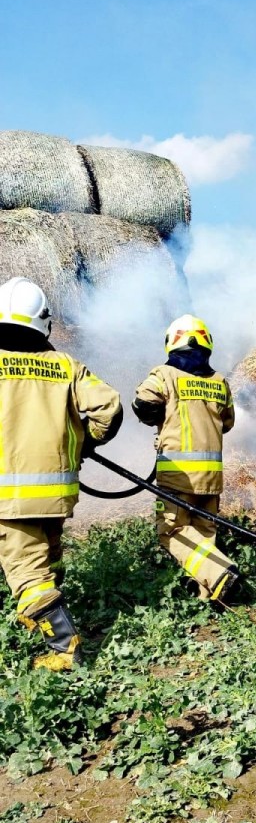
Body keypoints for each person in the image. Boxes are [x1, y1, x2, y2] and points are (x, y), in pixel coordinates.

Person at [0, 277, 123, 670]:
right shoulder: (66, 365)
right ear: (44, 323)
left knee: (28, 572)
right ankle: (49, 612)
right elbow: (109, 409)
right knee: (48, 560)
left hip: (8, 496)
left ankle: (66, 650)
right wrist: (85, 442)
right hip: (56, 493)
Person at [133, 314, 239, 604]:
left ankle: (219, 575)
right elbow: (227, 422)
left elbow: (142, 403)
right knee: (203, 533)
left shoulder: (164, 375)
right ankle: (210, 595)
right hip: (211, 479)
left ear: (172, 343)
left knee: (172, 530)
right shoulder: (220, 382)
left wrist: (163, 421)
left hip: (177, 476)